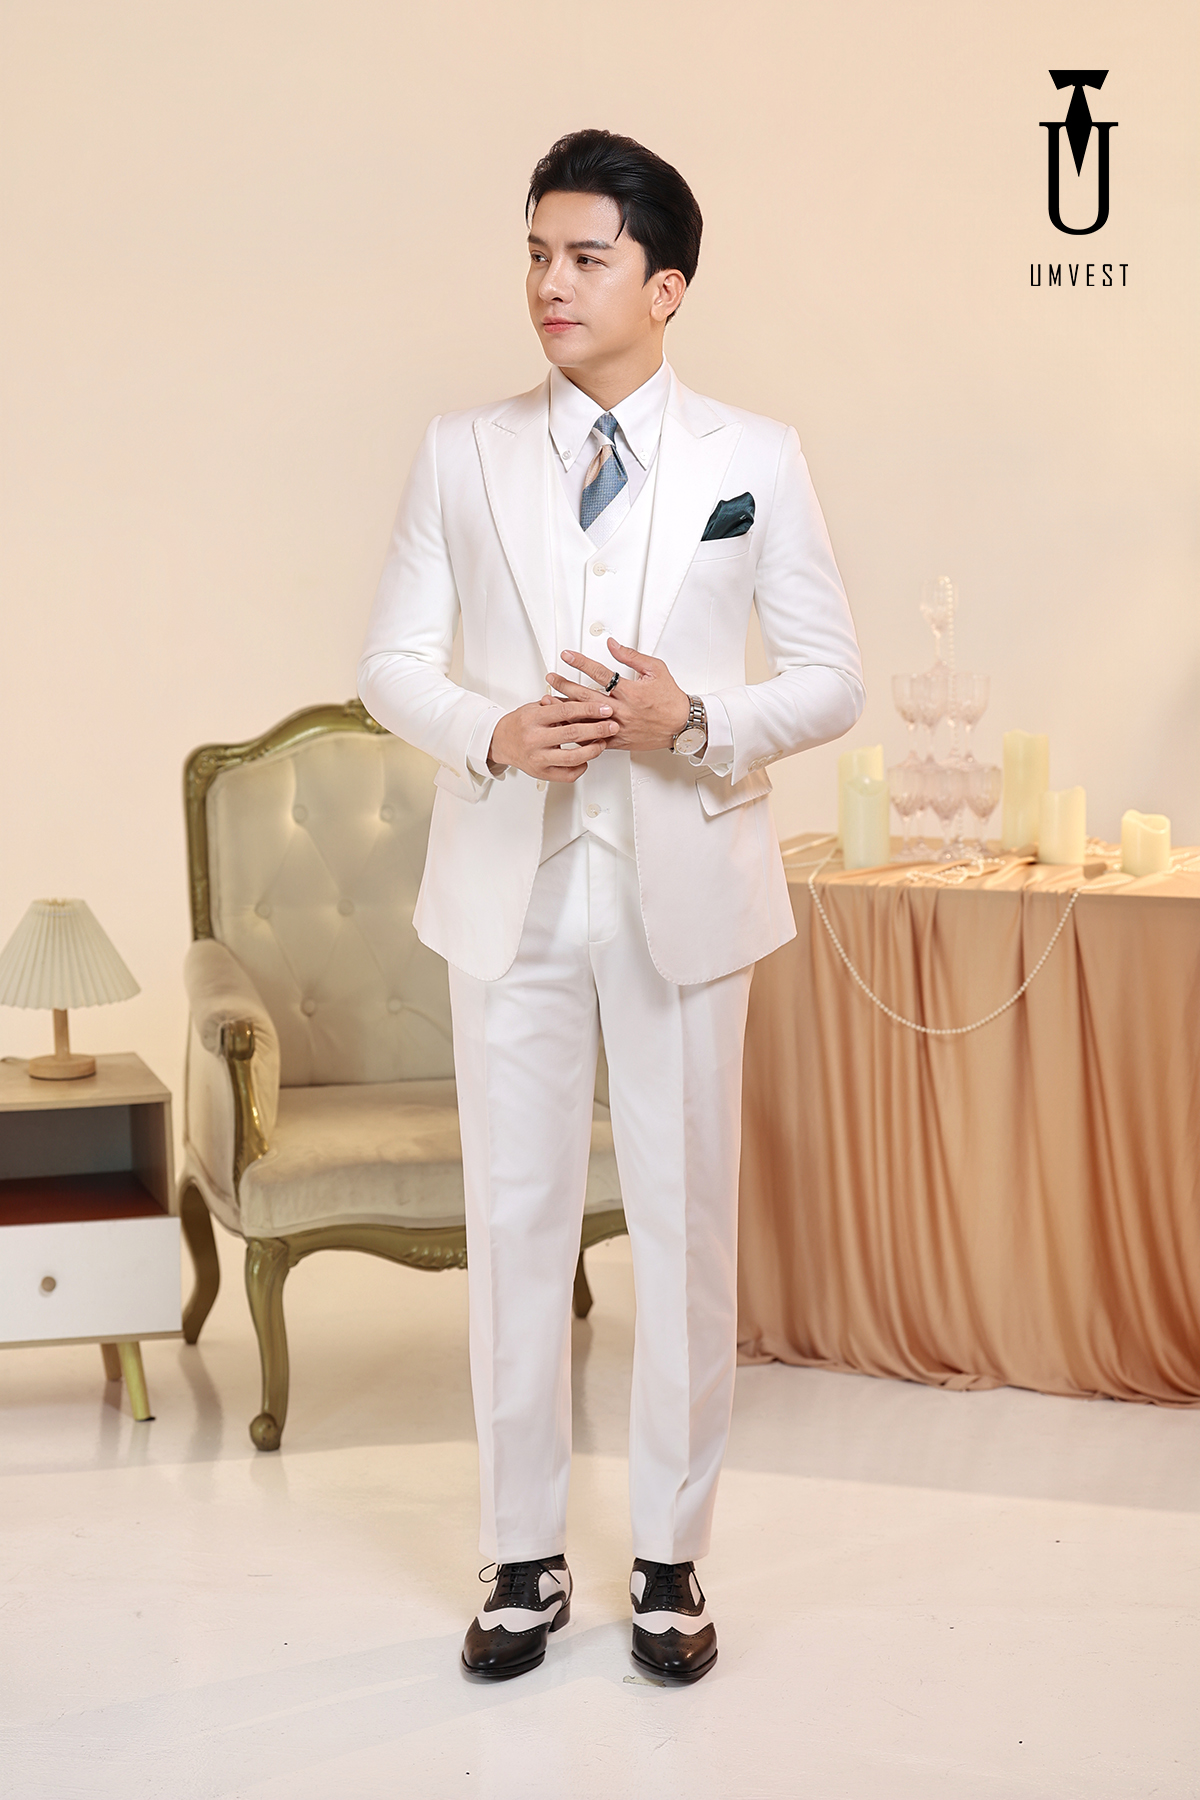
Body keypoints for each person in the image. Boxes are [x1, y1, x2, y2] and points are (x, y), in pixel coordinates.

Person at [358, 127, 863, 1684]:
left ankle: (669, 1559)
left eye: (585, 256)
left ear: (667, 284)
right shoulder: (461, 450)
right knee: (513, 1223)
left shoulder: (755, 458)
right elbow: (391, 663)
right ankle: (519, 1557)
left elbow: (832, 679)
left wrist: (693, 720)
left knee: (686, 1228)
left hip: (685, 888)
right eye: (535, 253)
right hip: (509, 885)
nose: (550, 284)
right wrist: (493, 732)